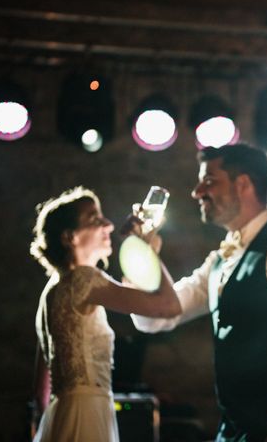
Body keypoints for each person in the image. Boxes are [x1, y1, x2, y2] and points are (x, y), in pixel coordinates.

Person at [129, 143, 267, 442]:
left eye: (209, 180)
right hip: (233, 433)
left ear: (242, 183)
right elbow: (155, 317)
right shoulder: (219, 260)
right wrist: (139, 256)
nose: (197, 192)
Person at [30, 186, 179, 442]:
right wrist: (147, 250)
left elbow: (41, 387)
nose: (109, 225)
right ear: (70, 237)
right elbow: (168, 306)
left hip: (63, 412)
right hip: (88, 413)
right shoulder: (84, 280)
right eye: (95, 219)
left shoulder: (54, 289)